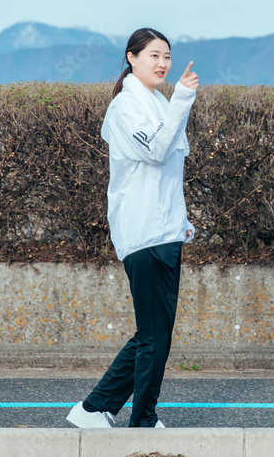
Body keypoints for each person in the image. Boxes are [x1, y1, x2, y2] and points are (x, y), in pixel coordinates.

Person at [66, 27, 198, 429]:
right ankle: (140, 421)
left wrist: (181, 221)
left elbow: (167, 177)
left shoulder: (158, 103)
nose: (163, 64)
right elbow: (156, 153)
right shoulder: (126, 107)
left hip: (164, 232)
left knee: (153, 333)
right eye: (154, 55)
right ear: (132, 58)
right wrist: (184, 99)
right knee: (154, 336)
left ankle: (95, 410)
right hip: (143, 234)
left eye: (167, 56)